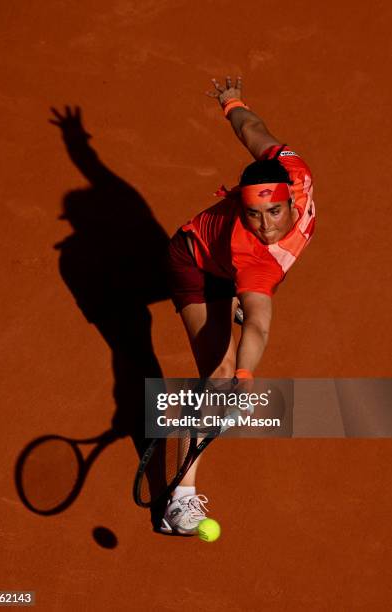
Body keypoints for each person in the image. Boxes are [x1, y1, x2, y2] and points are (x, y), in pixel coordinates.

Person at [160, 76, 316, 535]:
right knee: (220, 372)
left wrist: (233, 104)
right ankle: (179, 502)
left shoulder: (297, 170)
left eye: (273, 212)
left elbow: (254, 131)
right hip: (196, 265)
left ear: (292, 194)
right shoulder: (252, 253)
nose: (265, 225)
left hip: (243, 280)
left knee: (251, 305)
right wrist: (243, 378)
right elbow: (262, 327)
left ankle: (234, 310)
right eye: (252, 213)